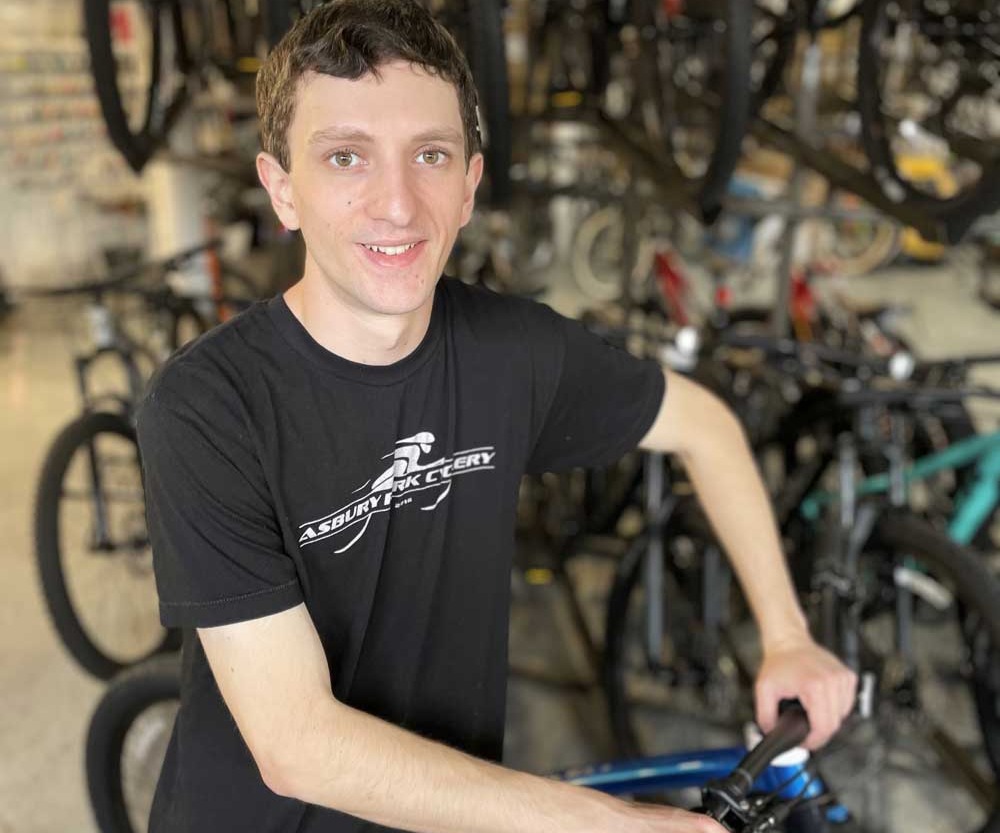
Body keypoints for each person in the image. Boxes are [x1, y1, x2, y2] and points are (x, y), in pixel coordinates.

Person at [135, 1, 857, 831]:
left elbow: (704, 425)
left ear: (470, 186)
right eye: (345, 157)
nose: (397, 203)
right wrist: (617, 824)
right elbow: (298, 743)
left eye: (430, 155)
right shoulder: (206, 408)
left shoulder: (511, 352)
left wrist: (787, 635)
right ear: (282, 190)